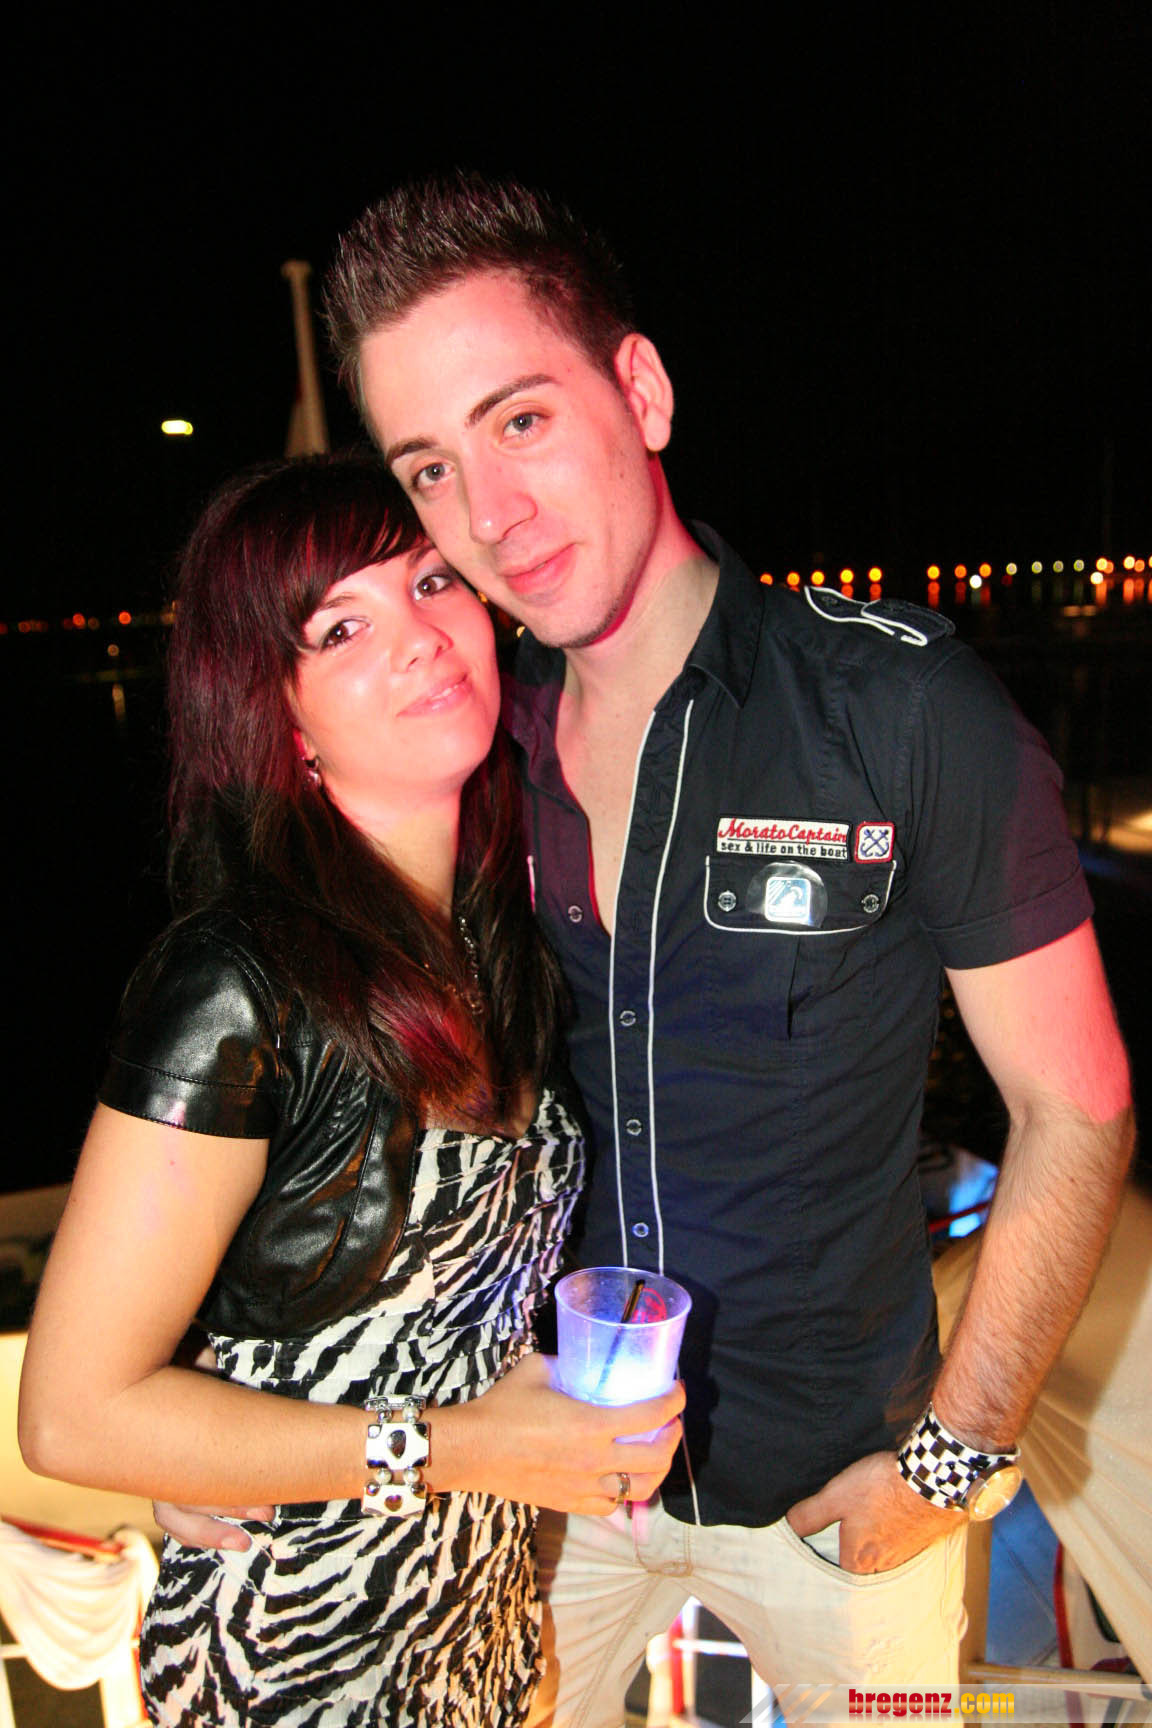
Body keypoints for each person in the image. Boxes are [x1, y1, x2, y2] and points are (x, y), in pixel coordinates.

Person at [162, 176, 1134, 1718]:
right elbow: (314, 1060)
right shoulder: (467, 752)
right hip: (539, 1496)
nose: (490, 514)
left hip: (848, 1493)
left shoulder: (897, 711)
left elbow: (1075, 1109)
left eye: (522, 420)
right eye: (431, 468)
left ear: (643, 392)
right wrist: (216, 1395)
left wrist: (950, 1464)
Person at [18, 455, 683, 1728]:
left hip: (483, 1636)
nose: (421, 637)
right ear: (281, 719)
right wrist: (462, 1447)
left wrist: (510, 1619)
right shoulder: (241, 981)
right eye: (340, 628)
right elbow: (71, 1415)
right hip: (296, 1657)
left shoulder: (505, 936)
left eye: (432, 581)